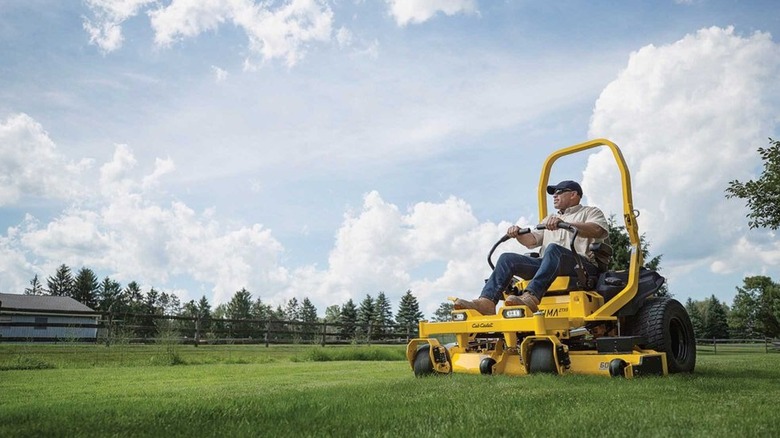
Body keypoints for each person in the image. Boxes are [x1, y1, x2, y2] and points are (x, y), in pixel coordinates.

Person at [454, 180, 609, 315]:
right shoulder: (549, 219)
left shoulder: (590, 212)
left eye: (559, 192)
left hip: (581, 267)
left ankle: (532, 297)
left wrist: (566, 225)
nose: (554, 196)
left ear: (574, 195)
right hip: (549, 264)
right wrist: (518, 234)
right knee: (507, 258)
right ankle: (486, 302)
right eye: (553, 193)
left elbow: (597, 230)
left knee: (554, 250)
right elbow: (532, 241)